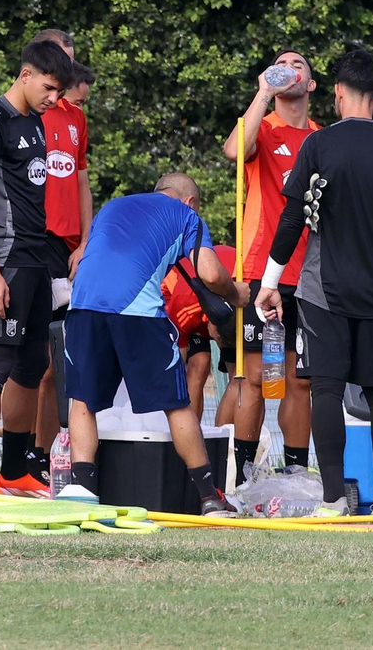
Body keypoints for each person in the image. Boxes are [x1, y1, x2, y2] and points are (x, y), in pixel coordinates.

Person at [254, 49, 373, 521]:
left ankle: (332, 499)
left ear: (337, 93)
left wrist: (270, 282)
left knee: (325, 389)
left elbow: (292, 220)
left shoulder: (319, 145)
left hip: (321, 290)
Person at [59, 174, 237, 516]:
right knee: (176, 404)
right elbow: (211, 273)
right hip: (137, 311)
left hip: (82, 306)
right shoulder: (186, 216)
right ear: (190, 202)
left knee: (82, 399)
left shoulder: (113, 206)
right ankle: (209, 497)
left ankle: (82, 491)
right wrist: (234, 295)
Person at [0, 39, 74, 495]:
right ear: (25, 74)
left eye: (59, 92)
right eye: (48, 88)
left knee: (33, 363)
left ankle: (14, 469)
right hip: (2, 260)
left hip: (36, 259)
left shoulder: (36, 122)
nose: (54, 99)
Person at [224, 51, 319, 480]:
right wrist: (264, 91)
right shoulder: (262, 127)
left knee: (298, 380)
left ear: (312, 84)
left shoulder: (321, 138)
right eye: (282, 63)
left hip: (310, 274)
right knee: (258, 375)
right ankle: (242, 478)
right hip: (261, 269)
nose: (289, 68)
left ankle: (297, 476)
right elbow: (233, 150)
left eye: (298, 64)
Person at [23, 27, 94, 483]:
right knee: (29, 361)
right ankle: (21, 457)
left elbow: (82, 181)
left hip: (69, 251)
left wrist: (85, 244)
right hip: (32, 245)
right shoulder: (23, 114)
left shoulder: (75, 118)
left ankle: (49, 460)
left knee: (60, 363)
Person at [163, 244, 236, 423]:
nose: (217, 344)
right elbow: (176, 362)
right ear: (212, 325)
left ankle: (224, 442)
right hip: (175, 298)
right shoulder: (184, 308)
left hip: (229, 286)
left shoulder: (243, 300)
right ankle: (190, 433)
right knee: (199, 363)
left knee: (239, 377)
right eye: (218, 340)